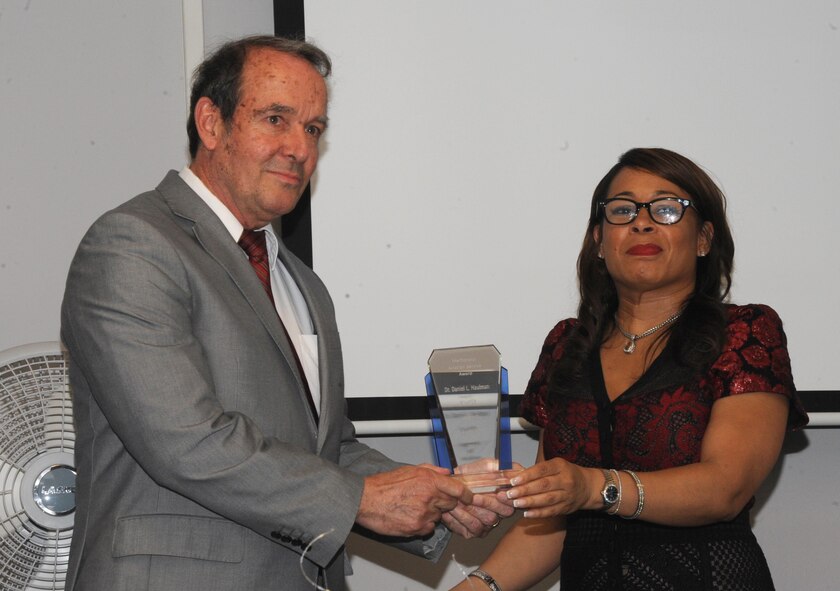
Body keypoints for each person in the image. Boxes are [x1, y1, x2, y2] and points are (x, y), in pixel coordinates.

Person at [61, 35, 509, 591]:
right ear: (211, 122)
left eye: (314, 128)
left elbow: (329, 450)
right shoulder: (132, 244)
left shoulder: (301, 282)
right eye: (276, 118)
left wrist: (441, 495)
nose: (300, 147)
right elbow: (186, 442)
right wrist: (365, 500)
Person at [451, 147, 807, 591]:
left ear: (703, 239)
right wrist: (476, 586)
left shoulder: (743, 332)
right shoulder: (568, 344)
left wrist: (593, 486)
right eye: (621, 210)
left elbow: (725, 489)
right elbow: (552, 521)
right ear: (599, 241)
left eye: (667, 209)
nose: (642, 222)